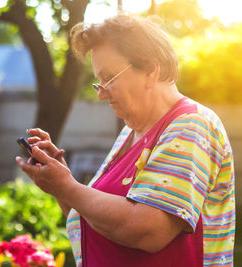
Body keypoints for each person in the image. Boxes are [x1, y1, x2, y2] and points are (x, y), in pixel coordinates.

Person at [16, 15, 235, 267]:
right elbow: (98, 220)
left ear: (151, 71)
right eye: (100, 82)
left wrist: (68, 187)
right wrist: (60, 180)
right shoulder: (130, 133)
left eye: (109, 78)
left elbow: (149, 231)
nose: (101, 95)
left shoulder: (192, 125)